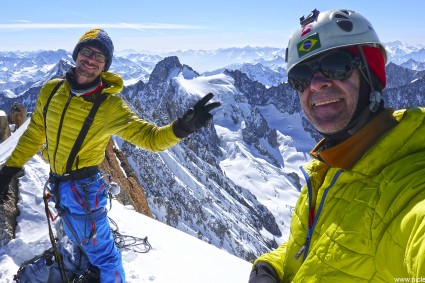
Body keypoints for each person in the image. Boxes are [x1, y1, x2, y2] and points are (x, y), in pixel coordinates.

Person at [0, 28, 220, 282]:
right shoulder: (51, 91)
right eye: (87, 51)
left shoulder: (110, 106)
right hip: (58, 184)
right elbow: (35, 133)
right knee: (76, 240)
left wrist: (182, 127)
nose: (91, 59)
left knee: (106, 257)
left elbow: (150, 138)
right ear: (76, 53)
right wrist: (9, 170)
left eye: (99, 57)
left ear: (105, 66)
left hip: (84, 192)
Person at [249, 8, 425, 282]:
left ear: (372, 72)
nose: (316, 84)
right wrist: (270, 268)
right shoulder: (326, 169)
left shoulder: (407, 184)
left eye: (337, 65)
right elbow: (315, 246)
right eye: (301, 77)